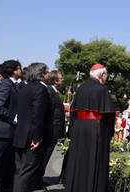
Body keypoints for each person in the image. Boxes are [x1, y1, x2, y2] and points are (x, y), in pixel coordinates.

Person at [65, 64, 115, 192]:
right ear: (102, 75)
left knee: (79, 158)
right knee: (94, 159)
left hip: (80, 128)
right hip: (96, 128)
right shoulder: (102, 89)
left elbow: (73, 111)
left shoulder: (81, 88)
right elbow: (109, 115)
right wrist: (110, 132)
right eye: (106, 75)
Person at [13, 62, 51, 192]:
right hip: (31, 137)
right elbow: (38, 115)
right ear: (41, 74)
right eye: (47, 72)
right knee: (27, 172)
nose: (49, 75)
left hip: (20, 135)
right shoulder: (40, 89)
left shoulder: (25, 88)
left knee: (20, 171)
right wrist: (37, 138)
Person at [0, 60, 21, 191]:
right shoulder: (6, 85)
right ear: (13, 71)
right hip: (2, 132)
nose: (21, 71)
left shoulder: (16, 85)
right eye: (19, 68)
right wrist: (14, 117)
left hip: (11, 133)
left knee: (8, 167)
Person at [40, 70, 65, 186]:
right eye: (61, 78)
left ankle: (39, 177)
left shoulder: (55, 92)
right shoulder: (49, 91)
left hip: (54, 129)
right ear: (55, 81)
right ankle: (37, 179)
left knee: (47, 154)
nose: (62, 80)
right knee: (44, 155)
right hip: (51, 129)